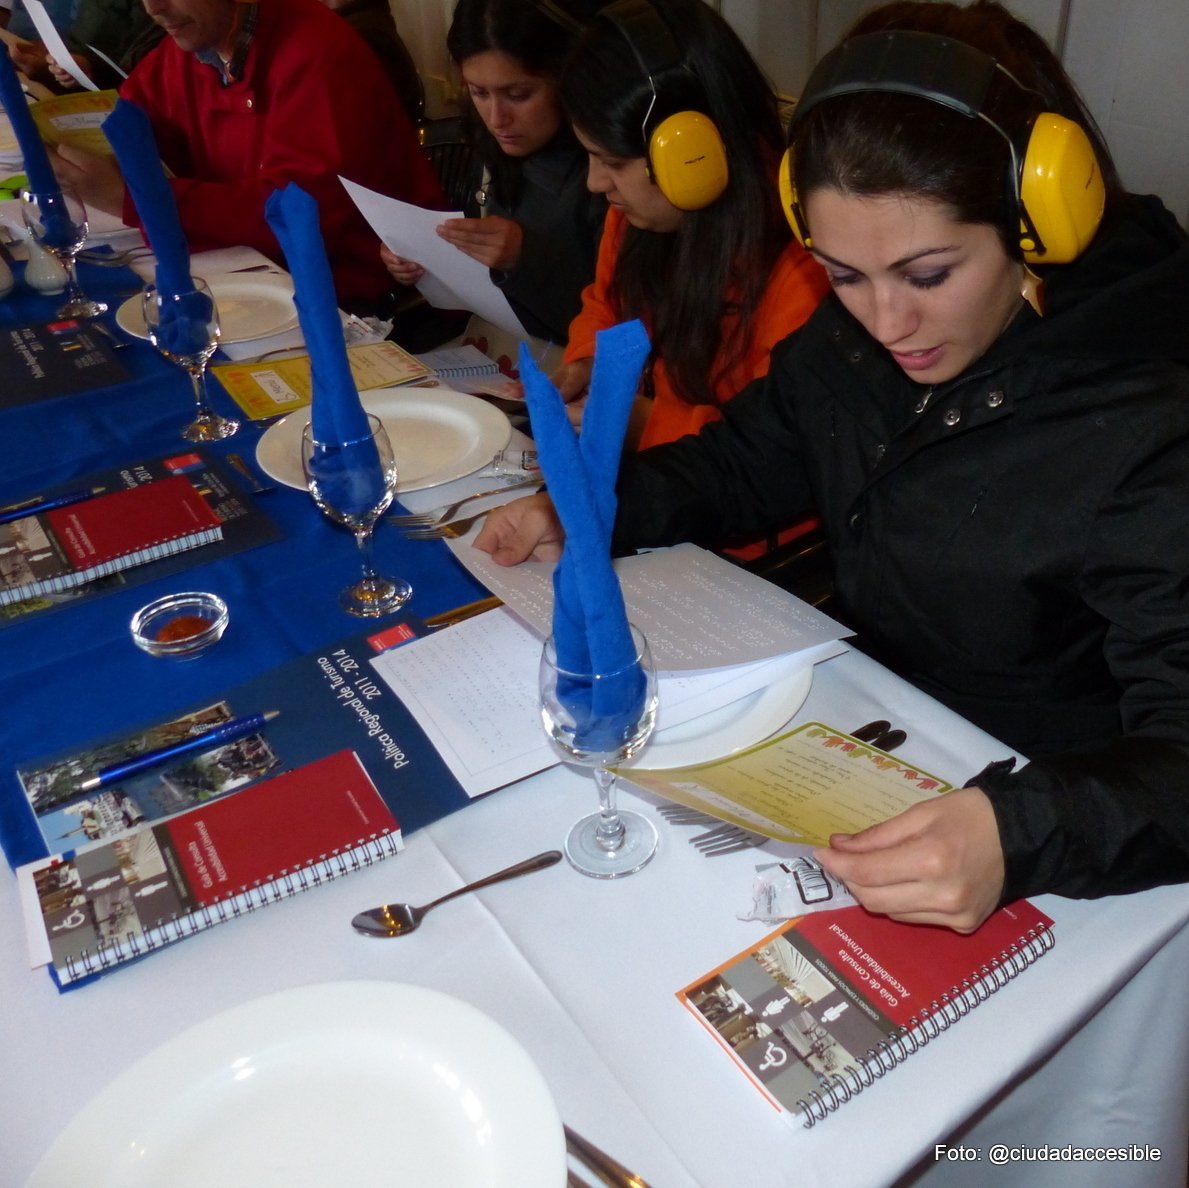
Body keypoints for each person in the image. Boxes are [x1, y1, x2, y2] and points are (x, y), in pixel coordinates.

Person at [475, 0, 1189, 932]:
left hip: (1051, 809)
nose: (886, 324)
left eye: (928, 275)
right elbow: (750, 460)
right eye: (845, 276)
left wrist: (1018, 832)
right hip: (873, 736)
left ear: (1036, 221)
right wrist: (595, 505)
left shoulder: (1149, 413)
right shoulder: (852, 339)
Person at [552, 0, 828, 452]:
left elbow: (774, 457)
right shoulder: (635, 214)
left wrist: (648, 426)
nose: (595, 182)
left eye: (613, 162)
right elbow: (607, 306)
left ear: (691, 157)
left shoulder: (801, 275)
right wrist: (589, 361)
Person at [51, 0, 445, 310]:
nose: (154, 8)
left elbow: (295, 216)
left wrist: (133, 199)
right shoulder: (190, 48)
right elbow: (127, 125)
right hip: (245, 272)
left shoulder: (318, 53)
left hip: (341, 293)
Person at [381, 0, 604, 345]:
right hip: (498, 347)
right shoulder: (490, 144)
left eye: (518, 94)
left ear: (568, 76)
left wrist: (525, 259)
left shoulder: (607, 170)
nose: (497, 118)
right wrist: (420, 258)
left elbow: (628, 324)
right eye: (478, 92)